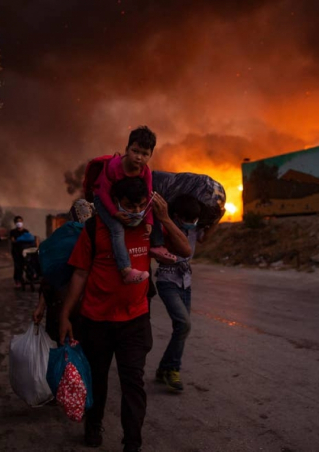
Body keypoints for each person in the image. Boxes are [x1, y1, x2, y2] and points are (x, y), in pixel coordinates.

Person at [59, 177, 192, 452]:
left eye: (142, 205)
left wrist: (165, 218)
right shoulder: (97, 227)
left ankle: (132, 442)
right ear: (115, 202)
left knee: (133, 382)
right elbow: (81, 273)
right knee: (97, 378)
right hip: (96, 320)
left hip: (135, 320)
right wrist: (65, 315)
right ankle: (93, 424)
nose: (136, 211)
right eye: (130, 206)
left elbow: (185, 249)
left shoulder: (149, 225)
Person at [93, 126, 177, 285]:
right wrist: (114, 213)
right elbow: (103, 193)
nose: (139, 157)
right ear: (127, 149)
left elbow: (149, 197)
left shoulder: (145, 172)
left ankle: (157, 246)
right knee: (117, 230)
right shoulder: (114, 167)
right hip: (105, 200)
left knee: (158, 205)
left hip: (128, 200)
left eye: (145, 154)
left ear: (151, 155)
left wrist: (149, 222)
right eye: (135, 151)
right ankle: (125, 270)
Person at [154, 195, 219, 392]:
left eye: (194, 220)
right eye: (187, 220)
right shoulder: (167, 228)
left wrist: (217, 218)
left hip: (185, 281)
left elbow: (205, 238)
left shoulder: (194, 226)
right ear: (176, 216)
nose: (192, 224)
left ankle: (164, 369)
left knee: (181, 328)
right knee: (184, 324)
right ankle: (173, 369)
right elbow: (178, 249)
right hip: (167, 280)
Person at [33, 199, 95, 341]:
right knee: (82, 354)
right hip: (85, 305)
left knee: (60, 350)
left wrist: (41, 306)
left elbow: (50, 275)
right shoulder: (93, 236)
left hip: (58, 304)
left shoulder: (59, 237)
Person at [9, 215, 37, 287]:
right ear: (15, 223)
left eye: (20, 221)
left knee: (27, 264)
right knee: (18, 266)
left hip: (25, 251)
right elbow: (13, 240)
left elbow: (29, 239)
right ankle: (18, 280)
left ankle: (29, 276)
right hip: (16, 251)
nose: (19, 223)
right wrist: (19, 240)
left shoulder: (26, 231)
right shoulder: (13, 232)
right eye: (17, 222)